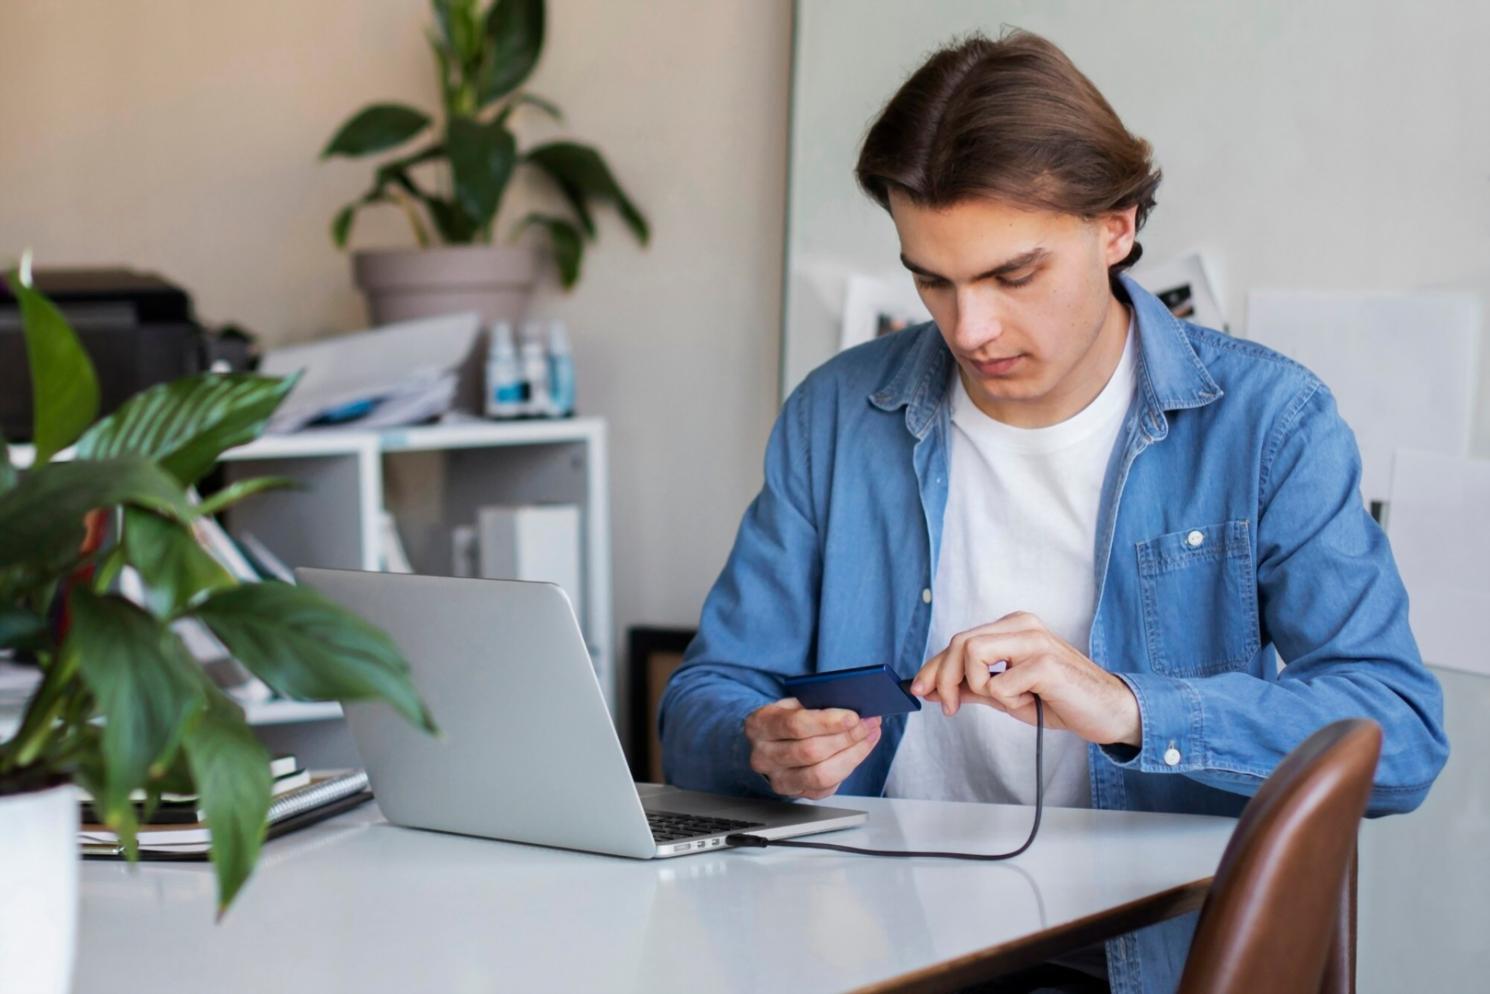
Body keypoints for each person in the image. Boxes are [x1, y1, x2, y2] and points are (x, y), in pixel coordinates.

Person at [658, 28, 1448, 994]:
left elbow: (1399, 737)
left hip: (1129, 966)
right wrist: (761, 743)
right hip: (857, 944)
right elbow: (703, 699)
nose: (970, 328)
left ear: (1116, 228)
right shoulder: (837, 412)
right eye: (932, 280)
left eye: (1012, 275)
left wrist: (1128, 708)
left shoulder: (1270, 423)